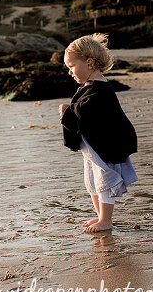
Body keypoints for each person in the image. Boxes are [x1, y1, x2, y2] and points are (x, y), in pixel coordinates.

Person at [58, 33, 138, 233]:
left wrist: (67, 112)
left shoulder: (101, 90)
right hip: (91, 146)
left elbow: (87, 113)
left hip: (106, 146)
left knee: (104, 180)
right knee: (92, 182)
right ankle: (101, 215)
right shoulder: (88, 87)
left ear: (90, 63)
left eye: (72, 66)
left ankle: (106, 220)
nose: (70, 72)